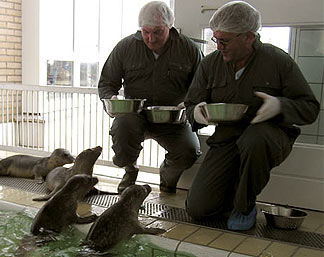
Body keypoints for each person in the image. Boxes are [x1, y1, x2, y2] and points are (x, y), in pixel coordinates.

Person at [184, 1, 320, 231]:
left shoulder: (278, 61)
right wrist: (196, 112)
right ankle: (231, 194)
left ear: (248, 37)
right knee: (198, 209)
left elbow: (310, 108)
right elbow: (190, 103)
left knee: (254, 140)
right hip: (227, 137)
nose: (218, 46)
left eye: (224, 41)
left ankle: (244, 205)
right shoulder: (210, 64)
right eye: (215, 39)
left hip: (269, 136)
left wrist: (280, 106)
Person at [98, 1, 203, 194]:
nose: (151, 38)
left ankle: (168, 176)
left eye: (157, 32)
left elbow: (202, 86)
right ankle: (130, 170)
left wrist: (188, 105)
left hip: (174, 118)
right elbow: (106, 83)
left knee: (189, 150)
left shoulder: (189, 49)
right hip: (134, 115)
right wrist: (111, 98)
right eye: (146, 32)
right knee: (122, 129)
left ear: (169, 28)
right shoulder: (125, 47)